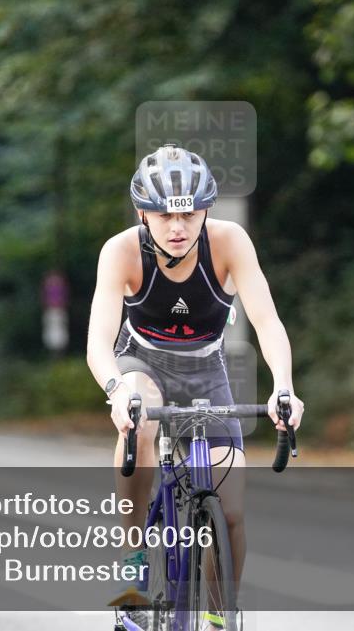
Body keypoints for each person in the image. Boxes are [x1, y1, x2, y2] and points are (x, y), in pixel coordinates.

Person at [86, 144, 304, 628]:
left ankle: (219, 615)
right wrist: (117, 390)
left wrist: (283, 387)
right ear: (143, 214)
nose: (178, 227)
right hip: (142, 362)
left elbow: (268, 323)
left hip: (207, 370)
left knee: (231, 512)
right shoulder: (121, 251)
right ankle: (134, 562)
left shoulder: (229, 242)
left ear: (206, 210)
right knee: (140, 415)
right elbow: (98, 342)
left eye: (188, 214)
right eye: (165, 215)